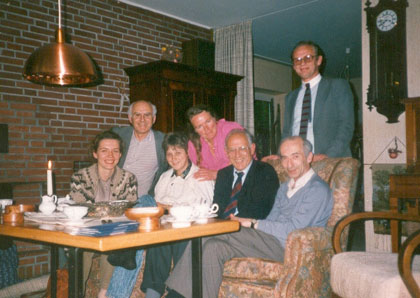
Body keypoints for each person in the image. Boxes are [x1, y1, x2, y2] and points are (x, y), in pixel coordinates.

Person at [165, 136, 333, 298]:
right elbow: (271, 219)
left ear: (309, 157)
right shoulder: (285, 187)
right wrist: (256, 227)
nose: (289, 164)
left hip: (289, 248)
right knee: (213, 248)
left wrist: (252, 223)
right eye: (285, 158)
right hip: (268, 240)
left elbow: (292, 230)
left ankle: (175, 294)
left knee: (205, 234)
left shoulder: (316, 190)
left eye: (295, 157)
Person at [140, 132, 215, 298]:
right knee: (157, 239)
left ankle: (178, 292)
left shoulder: (200, 177)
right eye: (169, 154)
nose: (174, 158)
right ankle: (152, 293)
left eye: (178, 152)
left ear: (187, 152)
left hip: (191, 229)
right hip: (166, 228)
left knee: (181, 239)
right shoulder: (164, 178)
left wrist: (169, 208)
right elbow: (157, 206)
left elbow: (207, 209)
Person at [69, 130, 138, 298]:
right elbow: (80, 210)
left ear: (120, 154)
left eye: (115, 151)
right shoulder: (80, 178)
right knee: (82, 248)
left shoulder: (129, 179)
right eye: (104, 150)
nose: (110, 155)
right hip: (87, 232)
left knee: (113, 239)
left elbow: (128, 211)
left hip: (114, 231)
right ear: (95, 153)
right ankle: (77, 293)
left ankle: (104, 293)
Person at [282, 40, 354, 161]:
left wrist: (327, 156)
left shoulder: (337, 86)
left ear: (318, 60)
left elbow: (346, 126)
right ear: (294, 66)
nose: (302, 63)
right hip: (297, 162)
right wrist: (281, 155)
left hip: (330, 161)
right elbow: (286, 133)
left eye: (308, 58)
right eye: (297, 60)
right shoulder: (291, 97)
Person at [213, 129, 279, 220]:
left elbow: (260, 211)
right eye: (232, 150)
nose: (237, 155)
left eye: (242, 148)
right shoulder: (223, 174)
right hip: (223, 227)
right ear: (226, 152)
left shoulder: (264, 171)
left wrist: (230, 224)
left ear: (252, 149)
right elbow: (217, 208)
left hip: (251, 228)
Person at [112, 100, 167, 196]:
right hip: (112, 196)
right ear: (130, 118)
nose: (142, 119)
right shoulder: (118, 135)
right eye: (137, 115)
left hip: (142, 201)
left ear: (154, 119)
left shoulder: (163, 141)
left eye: (147, 115)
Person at [186, 105, 243, 181]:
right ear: (195, 130)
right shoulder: (193, 145)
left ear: (214, 118)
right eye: (199, 126)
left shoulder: (230, 130)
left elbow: (243, 160)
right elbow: (202, 173)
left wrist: (217, 174)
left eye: (208, 121)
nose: (207, 129)